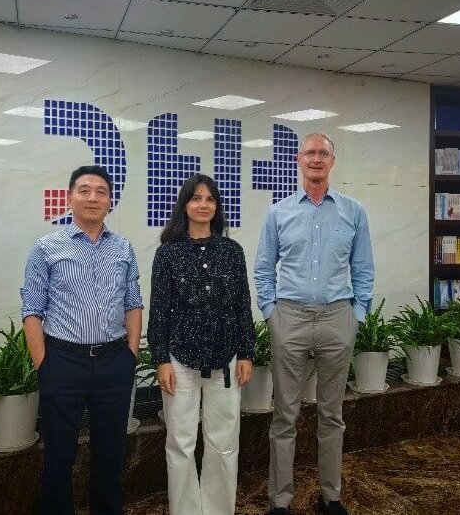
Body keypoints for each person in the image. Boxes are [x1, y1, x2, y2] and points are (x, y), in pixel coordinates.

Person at [254, 133, 374, 515]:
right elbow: (263, 269)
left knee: (332, 414)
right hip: (288, 317)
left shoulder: (353, 211)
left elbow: (364, 269)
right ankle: (280, 501)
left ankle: (330, 496)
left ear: (332, 161)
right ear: (298, 160)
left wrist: (358, 313)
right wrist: (271, 313)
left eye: (323, 153)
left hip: (338, 317)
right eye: (310, 153)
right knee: (284, 414)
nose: (317, 159)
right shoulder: (279, 213)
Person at [20, 165, 143, 515]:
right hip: (63, 362)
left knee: (111, 453)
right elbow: (32, 309)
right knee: (59, 456)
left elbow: (133, 302)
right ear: (70, 197)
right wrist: (43, 364)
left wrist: (130, 354)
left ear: (110, 202)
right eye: (84, 190)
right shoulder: (47, 247)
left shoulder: (123, 247)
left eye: (101, 191)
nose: (93, 197)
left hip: (113, 363)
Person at [148, 173, 256, 515]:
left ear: (217, 207)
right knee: (180, 442)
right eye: (196, 198)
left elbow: (242, 305)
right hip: (179, 360)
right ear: (184, 205)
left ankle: (219, 509)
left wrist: (247, 352)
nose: (203, 205)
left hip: (225, 359)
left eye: (210, 199)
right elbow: (159, 309)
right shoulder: (168, 254)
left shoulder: (232, 251)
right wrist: (161, 358)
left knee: (224, 442)